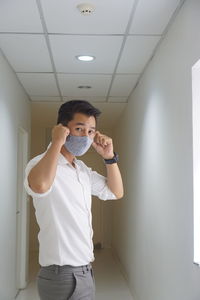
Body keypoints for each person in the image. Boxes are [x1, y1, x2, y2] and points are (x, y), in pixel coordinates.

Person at [24, 100, 124, 300]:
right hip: (61, 275)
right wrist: (57, 143)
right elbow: (40, 186)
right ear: (62, 129)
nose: (86, 137)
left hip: (85, 271)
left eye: (91, 131)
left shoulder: (81, 170)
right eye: (79, 129)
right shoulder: (39, 164)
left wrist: (109, 157)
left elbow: (115, 192)